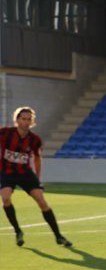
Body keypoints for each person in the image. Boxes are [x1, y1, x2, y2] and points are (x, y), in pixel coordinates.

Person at [0, 106, 72, 247]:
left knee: (41, 201)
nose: (26, 122)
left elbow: (38, 158)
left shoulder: (34, 139)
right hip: (7, 172)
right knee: (5, 198)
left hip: (25, 173)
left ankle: (58, 236)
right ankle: (18, 231)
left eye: (29, 119)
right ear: (17, 120)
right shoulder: (5, 133)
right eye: (23, 119)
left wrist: (37, 178)